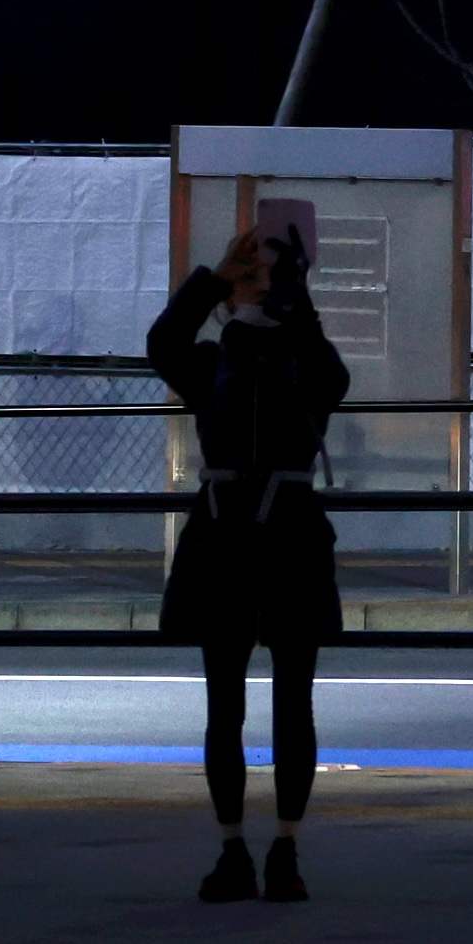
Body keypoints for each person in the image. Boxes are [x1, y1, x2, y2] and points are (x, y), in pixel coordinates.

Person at [145, 217, 345, 900]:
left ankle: (286, 845)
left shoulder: (304, 358)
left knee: (295, 702)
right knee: (222, 703)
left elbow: (332, 377)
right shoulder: (212, 361)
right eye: (250, 277)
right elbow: (163, 342)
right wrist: (211, 280)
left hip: (282, 529)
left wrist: (296, 296)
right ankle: (232, 846)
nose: (259, 287)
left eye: (269, 275)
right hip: (230, 531)